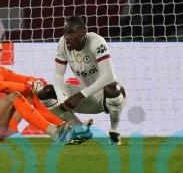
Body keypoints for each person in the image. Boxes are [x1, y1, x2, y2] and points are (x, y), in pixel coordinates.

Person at [0, 39, 90, 143]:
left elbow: (24, 79)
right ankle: (54, 132)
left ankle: (69, 127)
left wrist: (36, 82)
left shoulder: (0, 71)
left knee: (30, 93)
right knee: (14, 95)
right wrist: (27, 86)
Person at [37, 16, 127, 145]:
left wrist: (79, 95)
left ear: (83, 32)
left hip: (104, 96)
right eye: (65, 33)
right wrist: (62, 97)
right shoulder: (63, 43)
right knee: (46, 93)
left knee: (113, 88)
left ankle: (114, 130)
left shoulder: (96, 42)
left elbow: (109, 76)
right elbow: (58, 75)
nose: (67, 37)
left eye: (71, 32)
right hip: (85, 96)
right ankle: (80, 130)